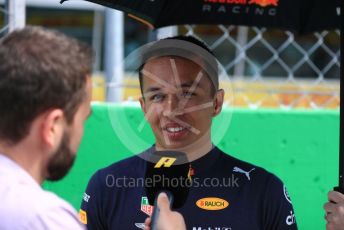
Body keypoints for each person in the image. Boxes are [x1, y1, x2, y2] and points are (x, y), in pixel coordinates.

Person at [81, 36, 298, 230]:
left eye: (187, 94)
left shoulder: (264, 192)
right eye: (157, 96)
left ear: (216, 103)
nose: (171, 110)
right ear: (143, 107)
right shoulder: (107, 186)